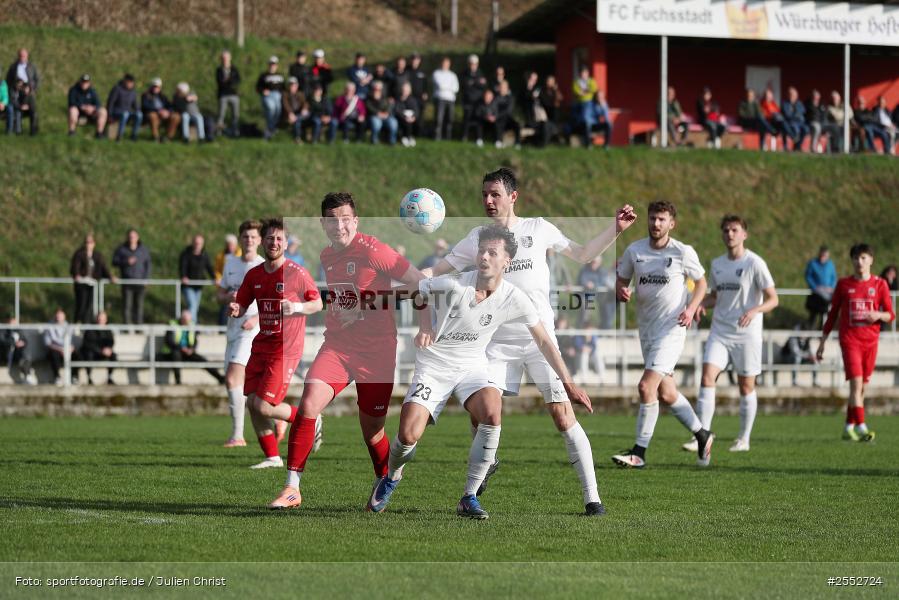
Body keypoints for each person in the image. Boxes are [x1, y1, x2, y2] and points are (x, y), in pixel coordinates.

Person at [424, 168, 636, 515]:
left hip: (540, 341)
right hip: (493, 343)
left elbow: (582, 254)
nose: (488, 201)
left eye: (495, 194)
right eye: (485, 195)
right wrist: (407, 278)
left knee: (562, 415)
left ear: (513, 196)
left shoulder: (538, 228)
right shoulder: (479, 236)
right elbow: (440, 269)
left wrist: (615, 228)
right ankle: (471, 492)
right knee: (484, 416)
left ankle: (593, 499)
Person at [367, 225, 597, 518]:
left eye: (492, 252)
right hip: (434, 367)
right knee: (408, 435)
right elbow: (414, 290)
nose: (484, 256)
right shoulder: (454, 284)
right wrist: (367, 302)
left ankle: (469, 496)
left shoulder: (515, 297)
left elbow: (543, 340)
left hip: (472, 366)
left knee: (492, 410)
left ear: (506, 262)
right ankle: (393, 475)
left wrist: (569, 383)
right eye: (481, 250)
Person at [268, 193, 425, 510]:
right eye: (331, 219)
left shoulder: (375, 250)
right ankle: (291, 488)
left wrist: (420, 325)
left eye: (344, 218)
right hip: (338, 346)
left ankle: (387, 479)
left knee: (372, 432)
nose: (338, 225)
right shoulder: (327, 256)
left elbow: (419, 284)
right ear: (323, 224)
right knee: (309, 403)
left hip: (377, 352)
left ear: (355, 221)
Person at [611, 201, 714, 469]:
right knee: (667, 393)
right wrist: (622, 290)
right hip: (647, 329)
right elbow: (622, 280)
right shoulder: (635, 251)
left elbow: (701, 283)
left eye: (662, 220)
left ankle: (639, 453)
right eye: (653, 219)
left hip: (672, 329)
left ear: (672, 224)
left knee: (646, 386)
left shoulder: (682, 252)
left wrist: (691, 308)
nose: (656, 224)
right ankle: (703, 435)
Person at [228, 218, 323, 469]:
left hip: (286, 348)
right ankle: (272, 457)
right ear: (263, 242)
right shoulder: (254, 275)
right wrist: (236, 308)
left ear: (286, 242)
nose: (274, 242)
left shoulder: (296, 272)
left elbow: (318, 303)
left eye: (279, 238)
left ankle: (311, 420)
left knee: (264, 406)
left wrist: (297, 306)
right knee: (252, 403)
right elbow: (242, 305)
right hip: (262, 345)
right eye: (270, 238)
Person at [683, 215, 778, 454]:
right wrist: (702, 303)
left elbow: (773, 299)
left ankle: (744, 439)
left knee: (746, 386)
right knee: (707, 377)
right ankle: (702, 434)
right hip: (720, 331)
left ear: (744, 234)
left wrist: (755, 310)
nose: (730, 234)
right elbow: (716, 295)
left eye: (734, 230)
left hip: (747, 334)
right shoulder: (717, 264)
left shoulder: (754, 263)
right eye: (726, 230)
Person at [816, 244, 894, 441]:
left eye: (863, 258)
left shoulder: (880, 284)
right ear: (851, 261)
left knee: (862, 389)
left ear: (871, 260)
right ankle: (861, 427)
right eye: (856, 258)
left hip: (871, 342)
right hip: (850, 340)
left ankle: (848, 425)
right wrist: (822, 341)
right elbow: (832, 315)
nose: (859, 262)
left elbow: (891, 315)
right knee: (856, 384)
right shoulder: (843, 285)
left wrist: (877, 314)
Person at [217, 221, 264, 448]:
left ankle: (237, 436)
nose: (249, 240)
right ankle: (278, 417)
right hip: (232, 327)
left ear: (260, 240)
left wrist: (256, 319)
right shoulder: (231, 263)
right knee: (247, 385)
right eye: (245, 236)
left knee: (232, 378)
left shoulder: (264, 266)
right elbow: (220, 293)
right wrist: (229, 298)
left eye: (253, 236)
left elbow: (273, 303)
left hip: (252, 329)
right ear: (240, 239)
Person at [162, 309, 224, 385]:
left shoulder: (191, 325)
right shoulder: (172, 324)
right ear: (181, 318)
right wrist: (181, 348)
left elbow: (194, 341)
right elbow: (169, 341)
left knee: (203, 361)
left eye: (188, 321)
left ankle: (221, 378)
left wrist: (192, 349)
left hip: (188, 352)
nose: (186, 322)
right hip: (174, 351)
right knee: (176, 355)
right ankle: (178, 382)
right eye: (185, 320)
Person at [70, 233, 115, 323]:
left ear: (94, 243)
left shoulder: (97, 255)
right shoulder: (79, 254)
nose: (88, 244)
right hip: (81, 283)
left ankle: (87, 324)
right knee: (81, 304)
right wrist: (77, 274)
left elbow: (103, 267)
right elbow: (75, 266)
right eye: (87, 242)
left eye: (90, 242)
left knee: (89, 305)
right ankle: (77, 322)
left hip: (92, 283)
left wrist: (110, 277)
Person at [112, 229, 152, 326]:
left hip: (140, 282)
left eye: (133, 237)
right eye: (130, 237)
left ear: (137, 238)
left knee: (139, 305)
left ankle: (138, 326)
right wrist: (126, 261)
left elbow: (148, 265)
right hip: (127, 282)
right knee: (127, 305)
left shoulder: (143, 250)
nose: (132, 239)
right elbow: (114, 261)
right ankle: (127, 326)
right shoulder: (122, 249)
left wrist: (146, 279)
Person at [179, 234, 215, 324]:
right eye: (196, 243)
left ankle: (188, 324)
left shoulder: (204, 255)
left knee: (194, 307)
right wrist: (183, 276)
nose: (197, 245)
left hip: (198, 286)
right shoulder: (186, 254)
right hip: (187, 285)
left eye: (199, 243)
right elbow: (182, 266)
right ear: (192, 243)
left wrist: (215, 278)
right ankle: (193, 327)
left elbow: (209, 267)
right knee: (192, 305)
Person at [76, 311, 116, 385]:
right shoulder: (90, 329)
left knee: (113, 355)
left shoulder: (108, 330)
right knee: (88, 354)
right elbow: (88, 344)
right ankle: (89, 377)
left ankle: (110, 377)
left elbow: (111, 342)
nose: (101, 321)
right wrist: (101, 351)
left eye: (103, 319)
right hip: (92, 353)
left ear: (106, 320)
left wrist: (108, 349)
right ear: (96, 319)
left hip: (103, 353)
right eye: (99, 319)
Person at [5, 48, 39, 135]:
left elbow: (37, 80)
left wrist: (31, 88)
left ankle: (33, 130)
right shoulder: (13, 67)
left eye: (23, 56)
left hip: (28, 91)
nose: (22, 57)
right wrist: (15, 86)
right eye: (20, 56)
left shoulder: (32, 66)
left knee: (33, 109)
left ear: (27, 56)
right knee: (15, 106)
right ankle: (17, 130)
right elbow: (8, 80)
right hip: (16, 90)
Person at [805, 245, 837, 329]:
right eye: (822, 255)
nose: (823, 258)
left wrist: (831, 287)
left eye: (825, 256)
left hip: (826, 295)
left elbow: (834, 277)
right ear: (819, 254)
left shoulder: (830, 264)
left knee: (824, 316)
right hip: (815, 294)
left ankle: (821, 335)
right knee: (813, 316)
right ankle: (808, 335)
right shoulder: (812, 263)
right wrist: (815, 287)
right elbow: (808, 276)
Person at [106, 74, 142, 141]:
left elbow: (135, 105)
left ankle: (134, 135)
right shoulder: (117, 89)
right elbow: (111, 102)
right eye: (129, 82)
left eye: (132, 83)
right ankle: (119, 135)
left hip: (128, 112)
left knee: (139, 115)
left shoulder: (133, 92)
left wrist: (138, 110)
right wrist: (109, 115)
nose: (130, 84)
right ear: (125, 81)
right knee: (125, 114)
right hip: (117, 111)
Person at [256, 56, 285, 141]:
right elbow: (258, 87)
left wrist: (282, 93)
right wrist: (263, 91)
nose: (273, 66)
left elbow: (284, 88)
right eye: (271, 64)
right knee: (271, 108)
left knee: (278, 110)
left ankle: (272, 128)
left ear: (277, 65)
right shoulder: (264, 75)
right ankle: (270, 128)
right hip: (268, 96)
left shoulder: (280, 75)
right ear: (268, 65)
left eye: (274, 64)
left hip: (278, 95)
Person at [460, 54, 487, 142]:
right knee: (466, 119)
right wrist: (477, 82)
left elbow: (484, 85)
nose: (473, 66)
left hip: (478, 101)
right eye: (471, 64)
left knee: (478, 119)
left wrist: (473, 82)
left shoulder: (481, 72)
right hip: (467, 101)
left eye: (475, 64)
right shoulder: (464, 73)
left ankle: (479, 138)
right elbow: (465, 85)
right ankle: (464, 136)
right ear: (468, 64)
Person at [1, 317, 35, 384]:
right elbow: (2, 341)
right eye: (12, 323)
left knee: (25, 356)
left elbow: (25, 340)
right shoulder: (3, 330)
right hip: (7, 353)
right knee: (23, 358)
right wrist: (14, 343)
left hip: (19, 353)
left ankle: (27, 375)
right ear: (8, 323)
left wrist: (22, 343)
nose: (13, 324)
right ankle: (27, 375)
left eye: (15, 323)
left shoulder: (19, 331)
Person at [432, 57, 459, 141]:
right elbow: (440, 85)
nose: (445, 65)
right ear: (441, 63)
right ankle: (437, 137)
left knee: (449, 119)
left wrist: (446, 87)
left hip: (450, 99)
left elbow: (456, 88)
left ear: (449, 64)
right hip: (440, 98)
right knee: (439, 119)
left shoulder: (453, 75)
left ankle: (448, 137)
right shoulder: (436, 73)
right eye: (444, 63)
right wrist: (449, 87)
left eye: (447, 63)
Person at [141, 78, 176, 142]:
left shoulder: (163, 96)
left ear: (160, 88)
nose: (156, 88)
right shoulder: (146, 95)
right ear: (151, 87)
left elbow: (170, 105)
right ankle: (156, 137)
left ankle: (168, 137)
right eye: (154, 86)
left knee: (175, 117)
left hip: (163, 114)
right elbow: (145, 106)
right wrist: (159, 111)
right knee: (153, 116)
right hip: (151, 113)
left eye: (157, 87)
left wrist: (168, 111)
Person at [215, 50, 241, 137]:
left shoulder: (234, 69)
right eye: (223, 58)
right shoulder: (219, 70)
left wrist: (228, 81)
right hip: (223, 95)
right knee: (221, 114)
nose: (225, 60)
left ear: (230, 58)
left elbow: (237, 81)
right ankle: (219, 132)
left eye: (226, 58)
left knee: (235, 115)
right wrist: (229, 82)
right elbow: (220, 83)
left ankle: (235, 132)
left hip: (234, 94)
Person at [43, 308, 72, 385]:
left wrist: (69, 349)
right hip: (54, 349)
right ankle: (57, 377)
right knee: (54, 355)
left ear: (64, 317)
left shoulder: (68, 326)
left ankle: (74, 377)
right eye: (57, 316)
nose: (58, 318)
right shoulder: (49, 326)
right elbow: (48, 343)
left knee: (76, 354)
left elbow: (71, 341)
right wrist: (60, 349)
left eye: (60, 316)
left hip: (66, 349)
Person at [365, 81, 397, 145]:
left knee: (393, 123)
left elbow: (390, 105)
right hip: (375, 116)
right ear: (373, 88)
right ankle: (374, 139)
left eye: (379, 88)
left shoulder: (385, 96)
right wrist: (378, 113)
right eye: (376, 88)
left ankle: (392, 140)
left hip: (386, 115)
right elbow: (369, 107)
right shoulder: (369, 97)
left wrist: (387, 113)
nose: (377, 90)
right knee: (377, 123)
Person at [494, 80, 521, 149]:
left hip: (507, 118)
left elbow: (508, 111)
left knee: (517, 125)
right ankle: (498, 141)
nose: (502, 88)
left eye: (504, 87)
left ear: (507, 88)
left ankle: (517, 143)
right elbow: (494, 108)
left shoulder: (511, 97)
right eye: (501, 87)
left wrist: (498, 115)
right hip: (498, 119)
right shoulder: (496, 97)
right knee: (499, 123)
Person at [805, 89, 834, 153]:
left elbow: (825, 115)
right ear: (812, 96)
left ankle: (833, 149)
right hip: (812, 123)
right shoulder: (808, 104)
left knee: (833, 127)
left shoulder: (822, 104)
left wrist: (824, 123)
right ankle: (813, 148)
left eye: (817, 96)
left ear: (819, 97)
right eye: (814, 96)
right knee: (817, 127)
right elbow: (807, 116)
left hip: (822, 123)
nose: (815, 98)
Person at [781, 86, 808, 151]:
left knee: (806, 129)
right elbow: (787, 115)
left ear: (796, 96)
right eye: (790, 94)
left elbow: (803, 112)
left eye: (793, 95)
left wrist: (795, 114)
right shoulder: (785, 103)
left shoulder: (799, 103)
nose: (792, 96)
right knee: (793, 127)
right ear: (788, 95)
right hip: (789, 123)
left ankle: (797, 146)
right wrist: (796, 115)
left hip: (799, 123)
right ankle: (794, 143)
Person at [282, 76, 309, 142]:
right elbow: (285, 105)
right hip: (291, 114)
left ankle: (299, 137)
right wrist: (290, 113)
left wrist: (304, 109)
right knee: (297, 121)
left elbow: (305, 103)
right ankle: (297, 138)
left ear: (297, 86)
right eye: (291, 85)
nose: (292, 87)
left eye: (294, 85)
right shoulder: (285, 94)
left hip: (300, 114)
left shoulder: (300, 93)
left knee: (299, 118)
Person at [393, 81, 419, 147]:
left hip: (411, 118)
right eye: (404, 90)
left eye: (407, 90)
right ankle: (405, 137)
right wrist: (404, 117)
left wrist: (414, 117)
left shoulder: (413, 100)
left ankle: (409, 137)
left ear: (409, 91)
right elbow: (397, 110)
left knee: (411, 122)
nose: (405, 92)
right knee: (405, 122)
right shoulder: (398, 99)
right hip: (400, 118)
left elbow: (416, 110)